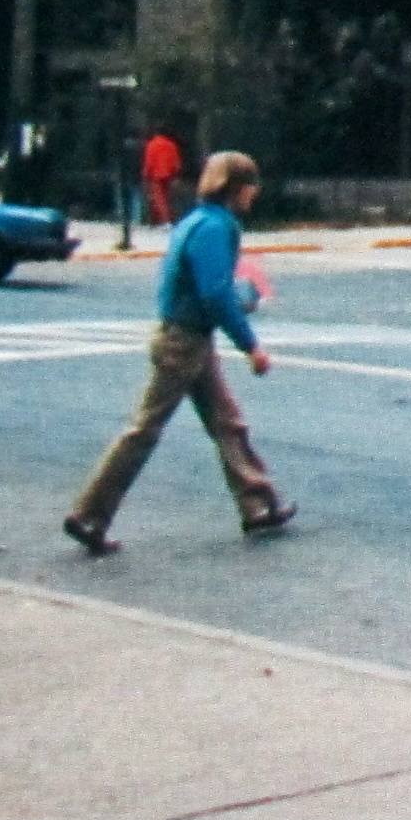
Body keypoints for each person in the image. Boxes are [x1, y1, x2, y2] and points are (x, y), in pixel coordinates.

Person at [63, 151, 295, 555]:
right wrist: (250, 345)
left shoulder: (194, 220)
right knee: (144, 430)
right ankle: (89, 515)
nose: (254, 194)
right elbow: (213, 292)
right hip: (184, 342)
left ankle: (258, 505)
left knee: (227, 423)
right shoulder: (216, 228)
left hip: (187, 337)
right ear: (237, 188)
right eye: (251, 186)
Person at [140, 128, 184, 226]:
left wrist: (145, 174)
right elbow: (177, 162)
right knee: (168, 198)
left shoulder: (152, 145)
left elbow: (149, 161)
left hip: (156, 175)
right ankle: (170, 219)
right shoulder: (171, 145)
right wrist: (176, 174)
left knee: (159, 199)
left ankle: (165, 220)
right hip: (169, 174)